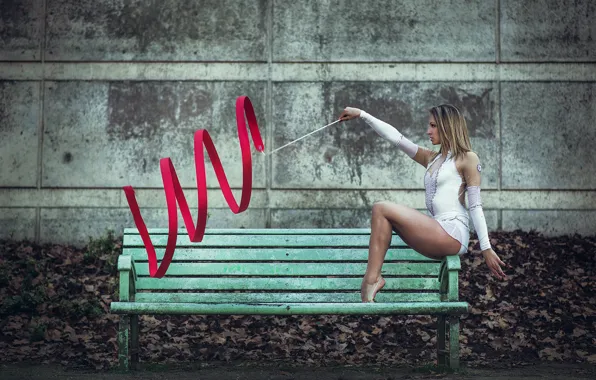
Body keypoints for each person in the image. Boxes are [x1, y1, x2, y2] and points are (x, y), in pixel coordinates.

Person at [338, 104, 509, 303]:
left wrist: (486, 247)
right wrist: (363, 115)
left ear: (448, 126)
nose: (428, 131)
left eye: (433, 126)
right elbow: (396, 138)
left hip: (452, 232)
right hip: (438, 229)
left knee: (381, 208)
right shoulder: (432, 158)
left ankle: (370, 281)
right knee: (383, 215)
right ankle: (372, 282)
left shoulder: (467, 158)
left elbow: (475, 206)